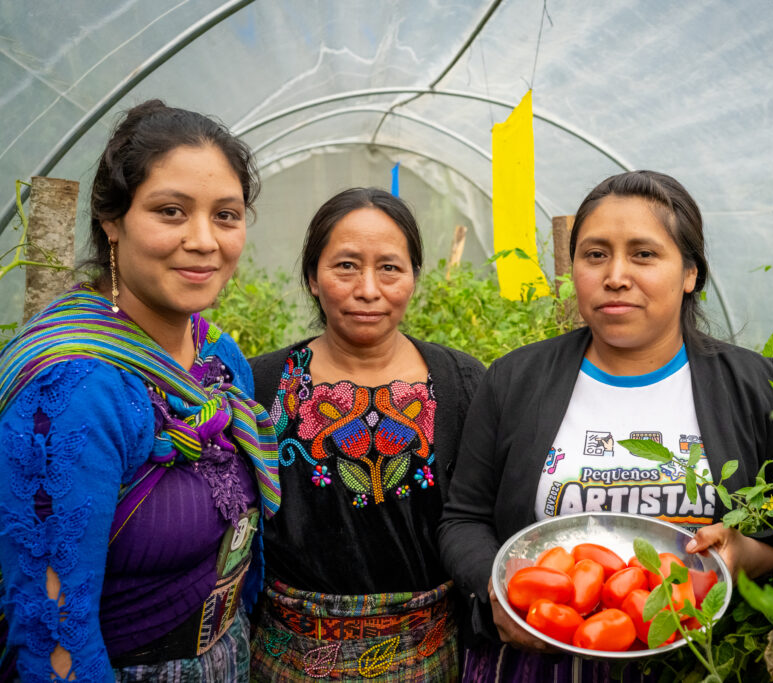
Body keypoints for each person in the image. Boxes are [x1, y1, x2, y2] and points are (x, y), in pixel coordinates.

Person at [438, 170, 773, 679]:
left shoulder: (755, 384)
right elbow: (463, 519)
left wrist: (746, 553)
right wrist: (500, 594)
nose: (615, 274)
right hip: (542, 657)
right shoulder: (514, 379)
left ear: (690, 273)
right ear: (574, 268)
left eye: (643, 254)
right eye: (595, 254)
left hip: (703, 663)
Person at [0, 100, 281, 682]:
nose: (205, 240)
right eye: (171, 211)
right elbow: (54, 636)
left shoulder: (217, 357)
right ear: (113, 220)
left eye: (225, 215)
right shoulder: (76, 389)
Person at [247, 188, 485, 681]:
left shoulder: (462, 383)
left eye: (390, 268)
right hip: (289, 659)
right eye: (347, 266)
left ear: (415, 277)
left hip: (428, 659)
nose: (369, 290)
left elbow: (482, 516)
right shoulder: (263, 385)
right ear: (313, 277)